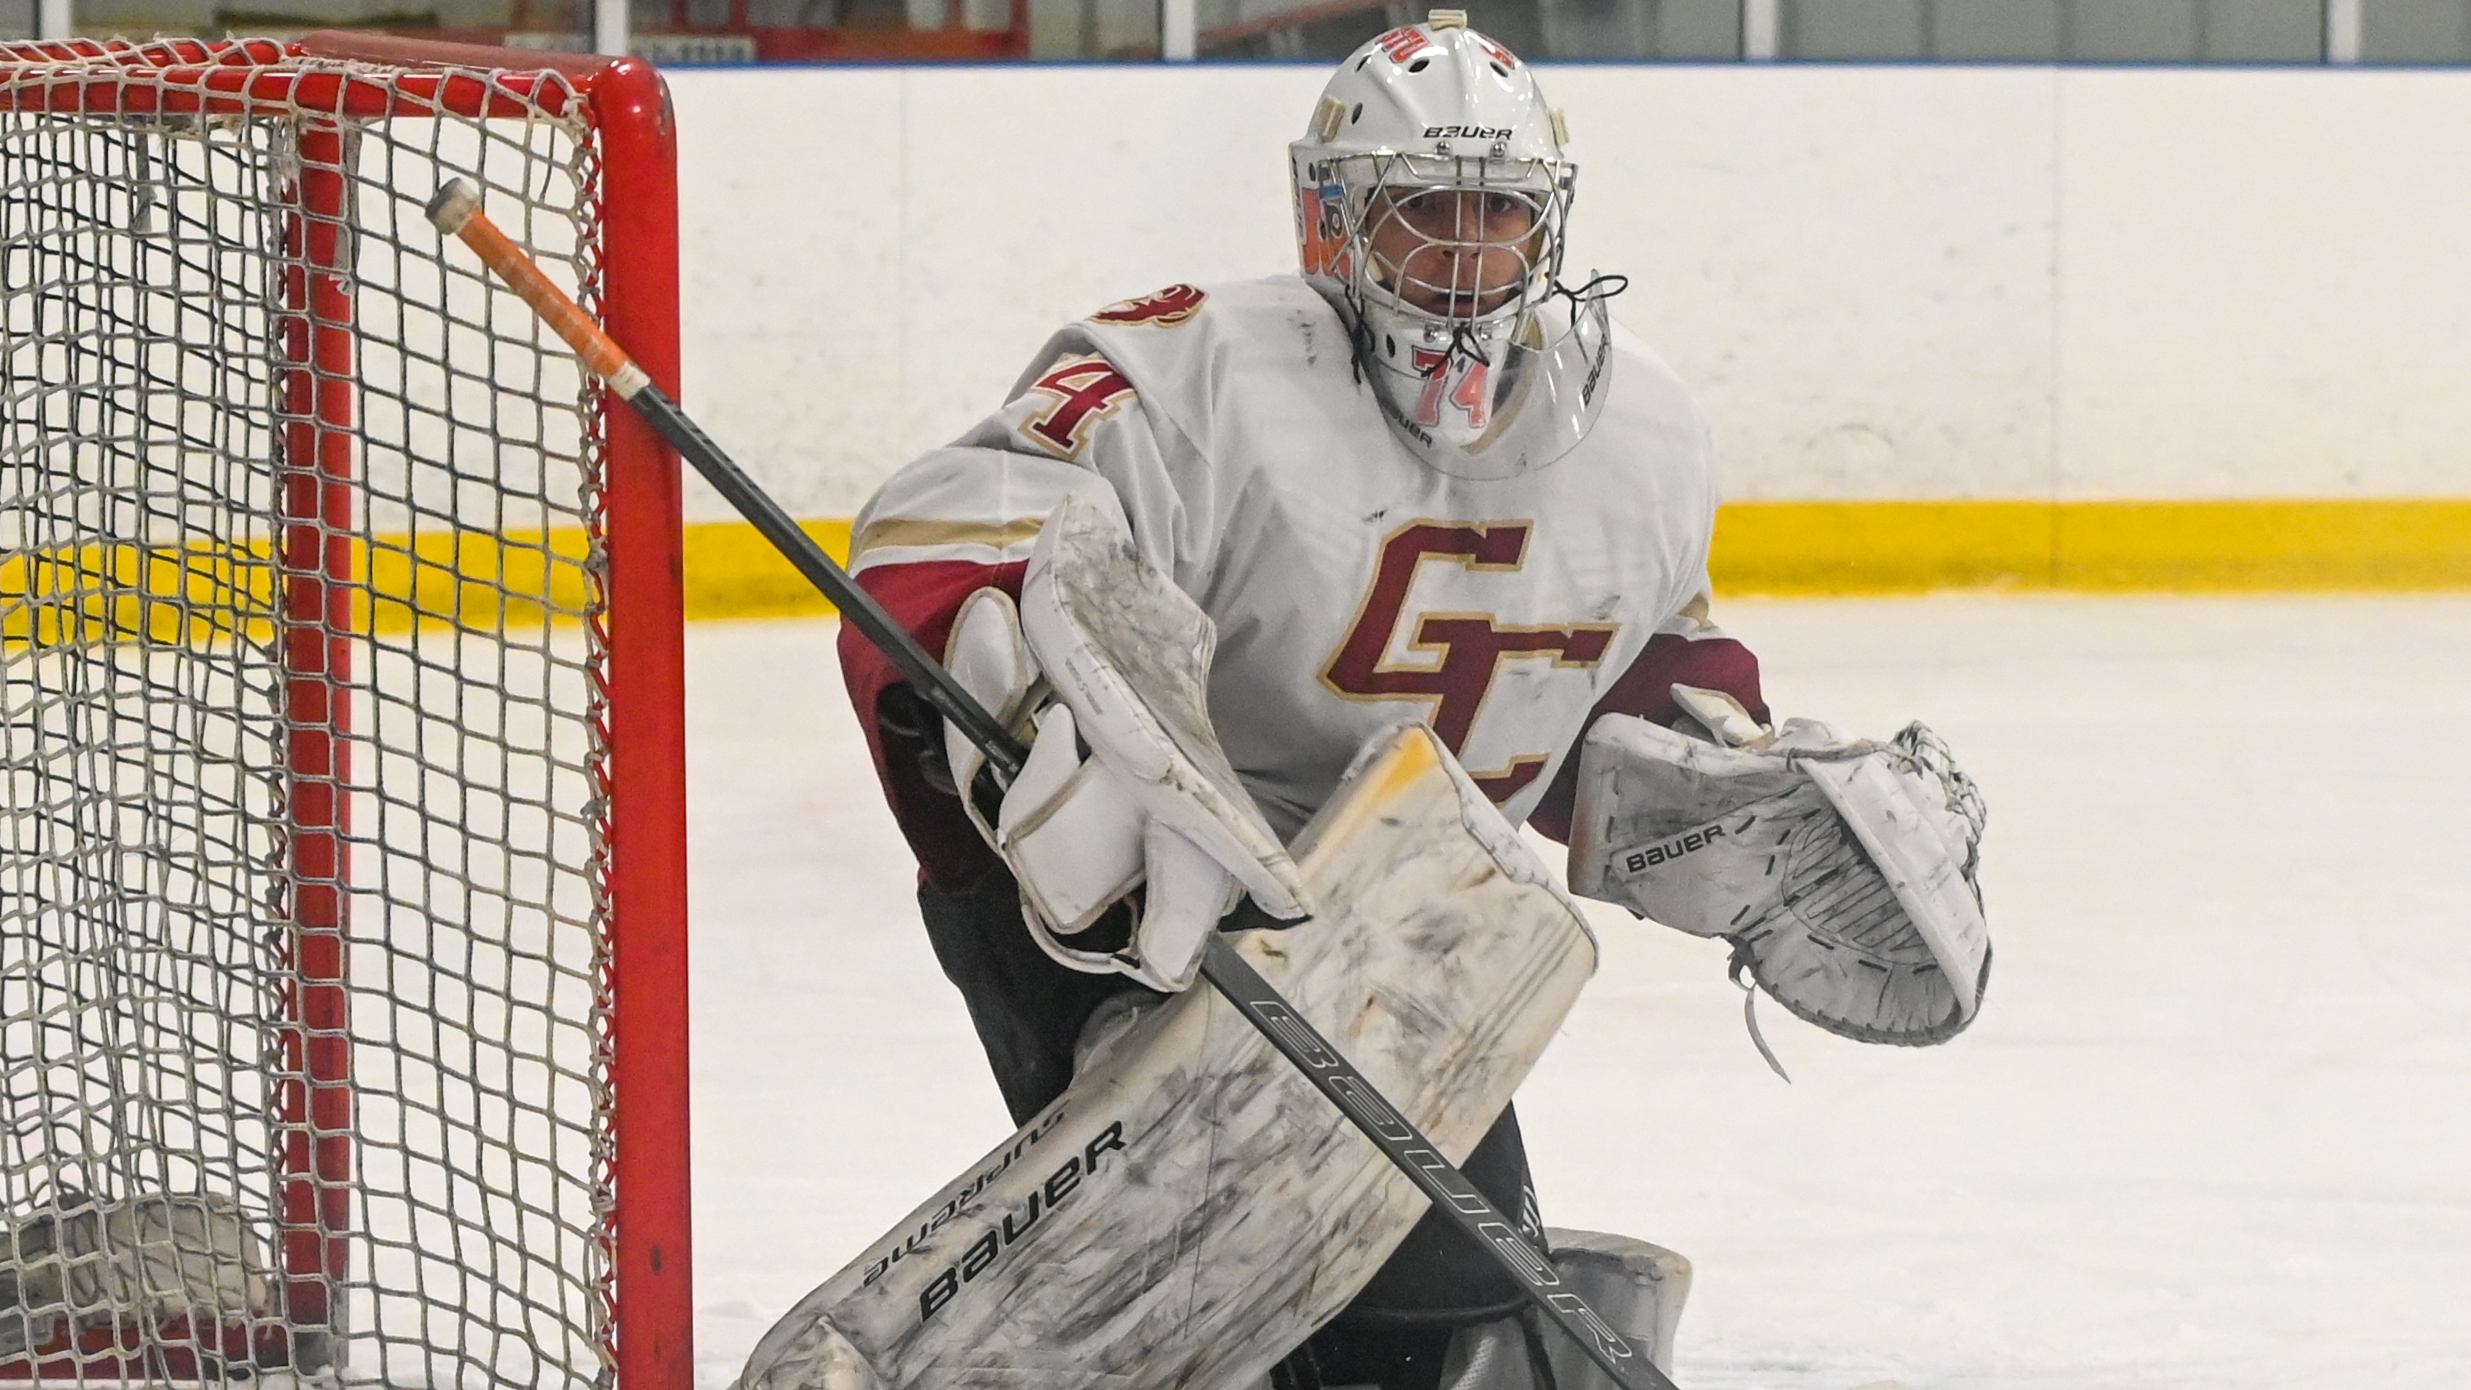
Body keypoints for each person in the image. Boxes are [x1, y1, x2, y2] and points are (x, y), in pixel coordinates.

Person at [834, 13, 1988, 1388]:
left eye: (1495, 215)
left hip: (1398, 929)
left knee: (1434, 1319)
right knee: (1239, 1299)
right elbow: (941, 535)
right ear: (1328, 222)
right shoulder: (1197, 370)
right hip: (1123, 901)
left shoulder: (1644, 434)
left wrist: (1727, 774)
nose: (1460, 256)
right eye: (1419, 213)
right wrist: (1035, 742)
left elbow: (1629, 671)